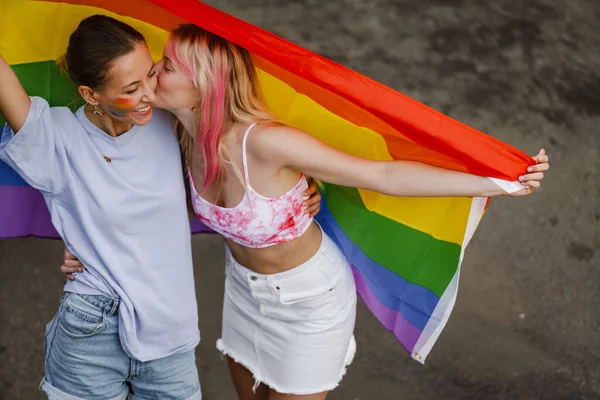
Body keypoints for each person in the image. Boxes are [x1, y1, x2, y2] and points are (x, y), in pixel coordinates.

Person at [115, 24, 548, 400]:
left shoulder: (264, 144)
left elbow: (383, 176)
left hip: (309, 303)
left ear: (204, 84)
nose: (152, 70)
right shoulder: (176, 134)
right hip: (242, 293)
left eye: (166, 65)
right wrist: (84, 250)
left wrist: (495, 182)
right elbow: (108, 178)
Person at [0, 15, 322, 400]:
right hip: (91, 331)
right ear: (90, 95)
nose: (149, 95)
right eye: (131, 88)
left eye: (150, 75)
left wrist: (291, 190)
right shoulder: (54, 137)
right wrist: (83, 239)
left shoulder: (168, 123)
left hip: (171, 338)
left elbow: (237, 135)